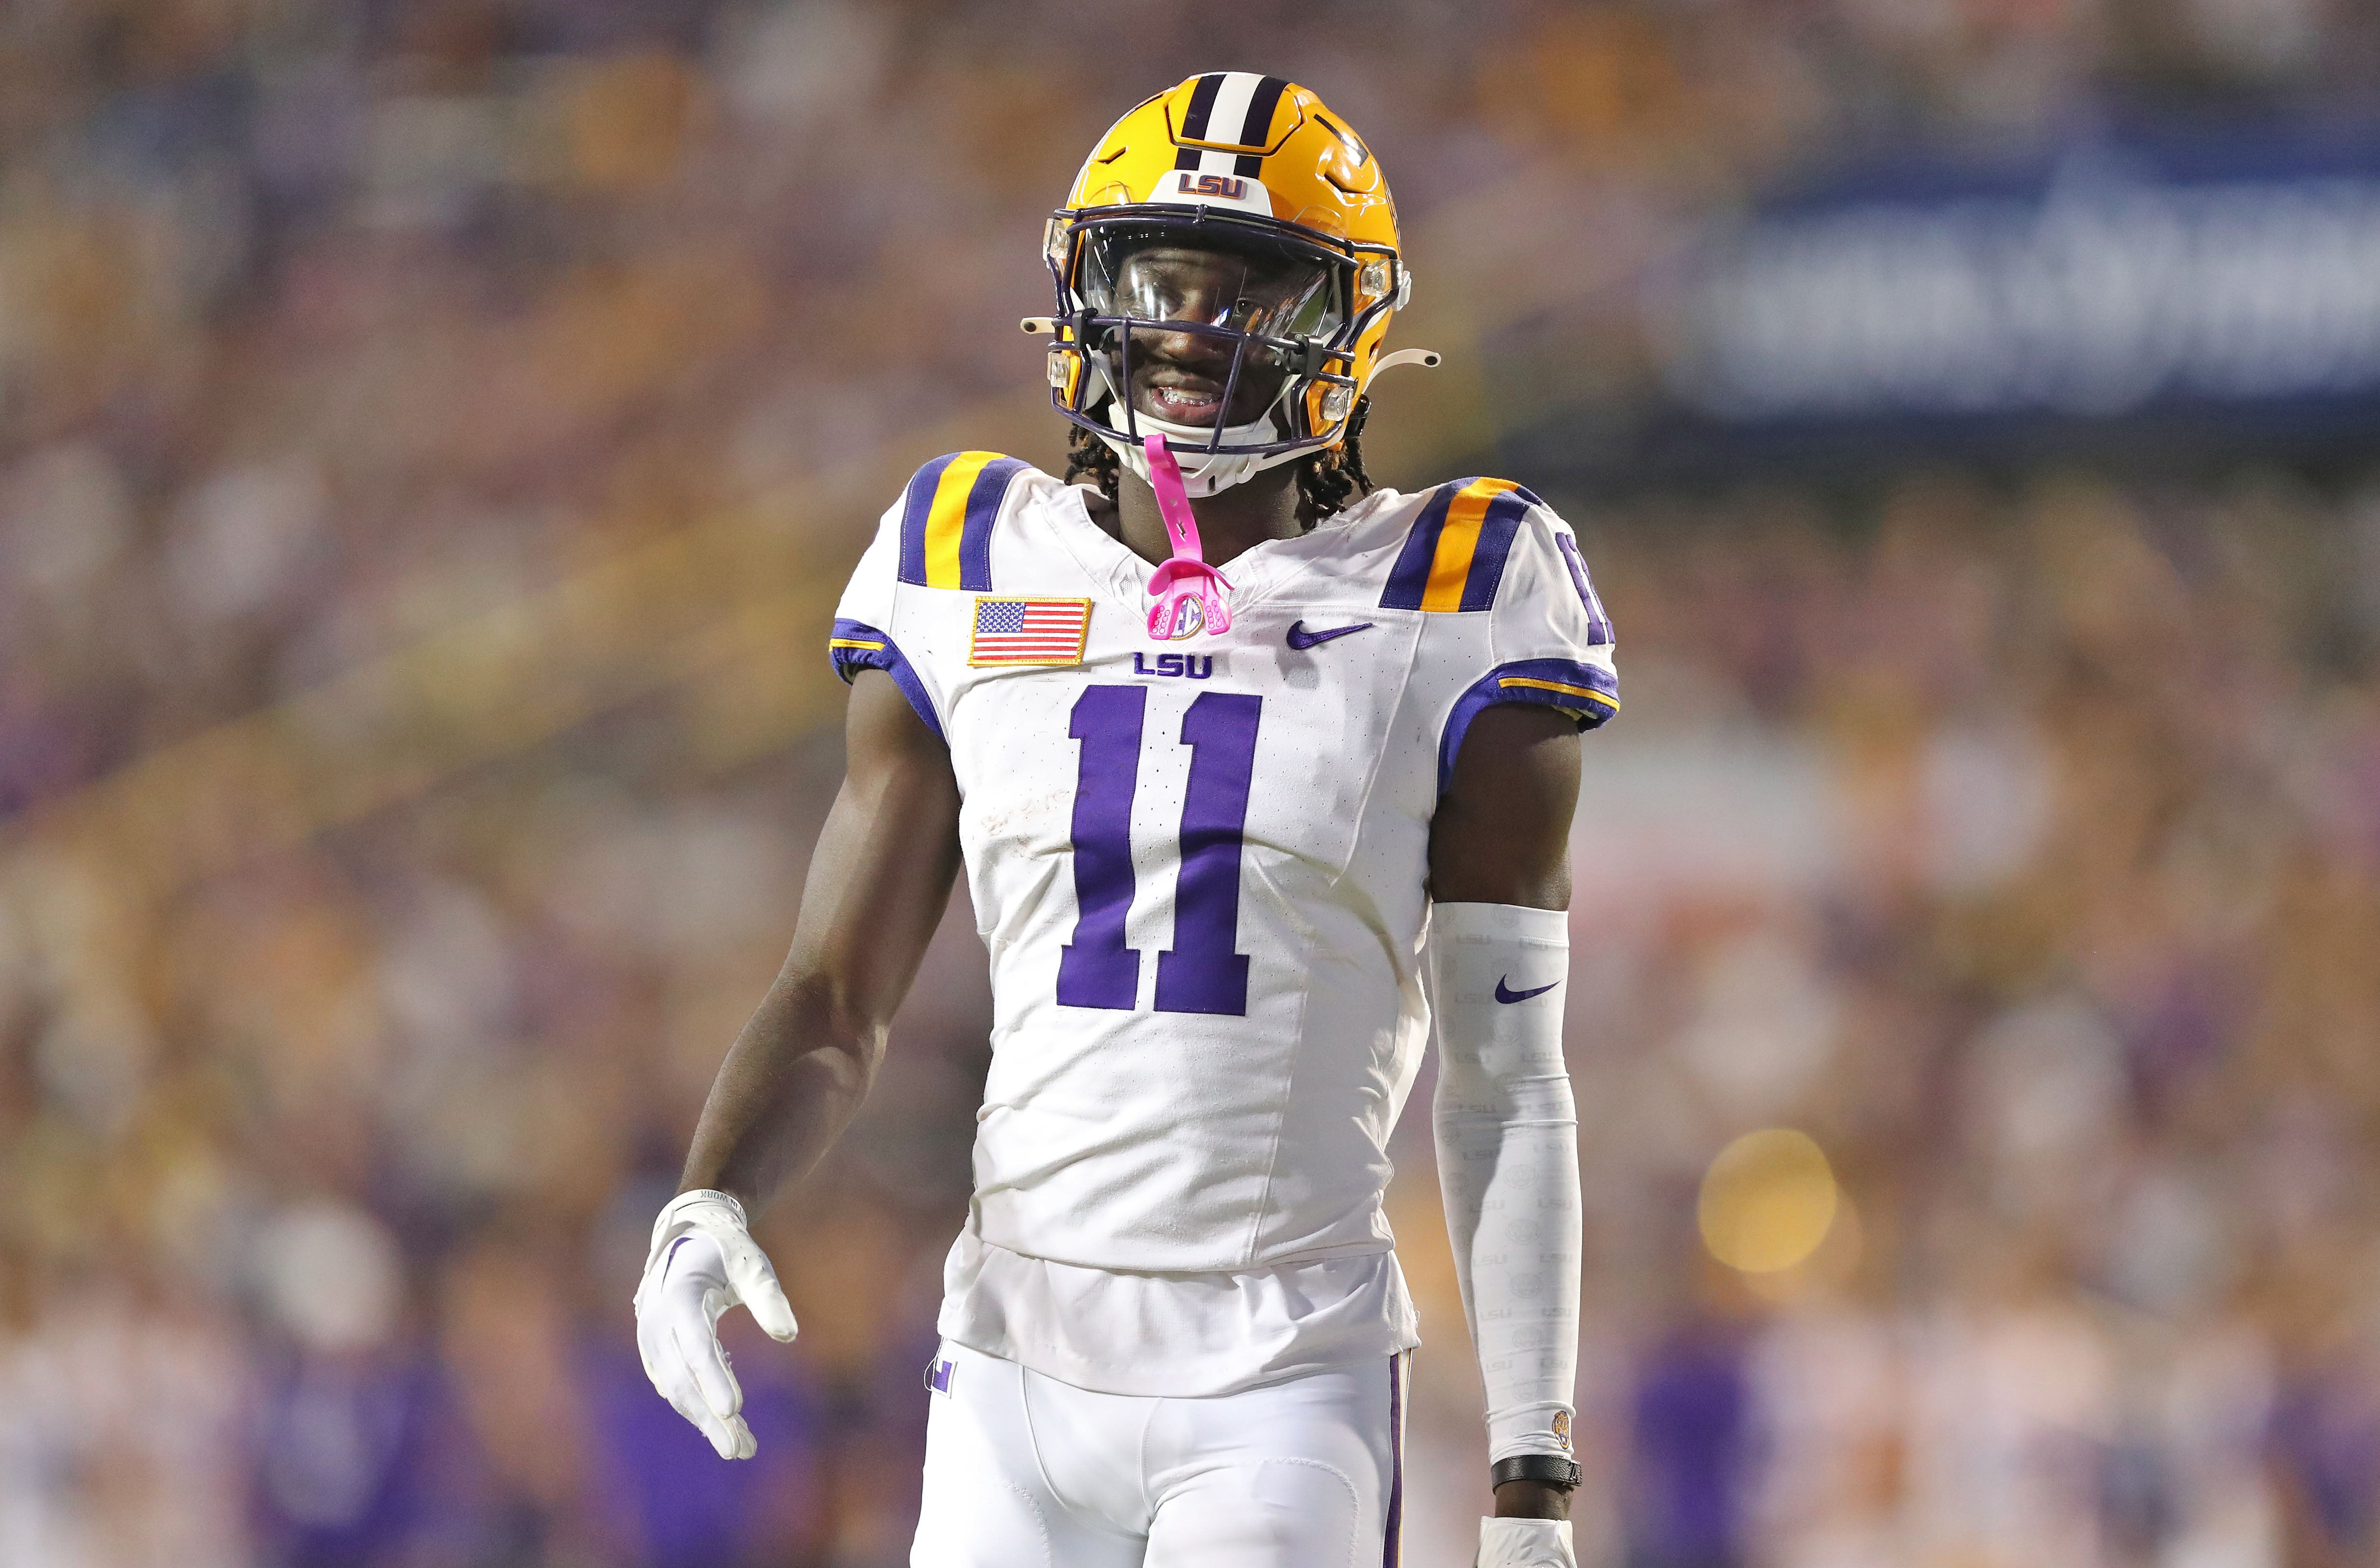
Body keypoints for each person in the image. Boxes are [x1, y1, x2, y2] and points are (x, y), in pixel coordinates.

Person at [632, 72, 1617, 1568]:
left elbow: (1505, 1086)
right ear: (1085, 287)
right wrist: (703, 1201)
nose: (1194, 327)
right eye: (1163, 278)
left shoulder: (1456, 589)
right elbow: (836, 992)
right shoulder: (962, 552)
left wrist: (1530, 1473)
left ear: (1344, 319)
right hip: (1007, 1367)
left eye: (1251, 286)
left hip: (1281, 1382)